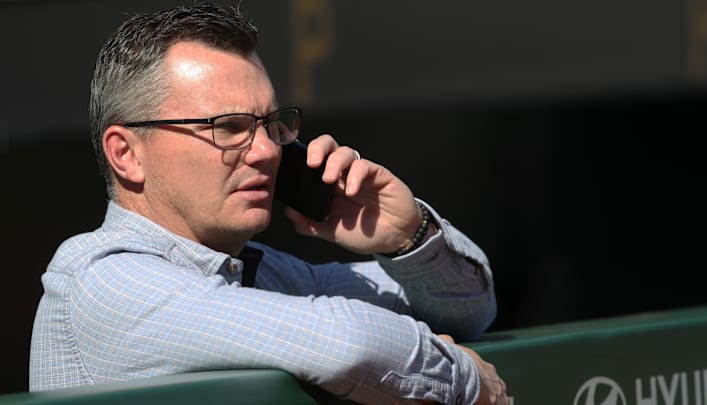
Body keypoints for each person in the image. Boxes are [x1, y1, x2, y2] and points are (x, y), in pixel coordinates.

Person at [29, 3, 508, 404]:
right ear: (126, 154)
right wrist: (465, 382)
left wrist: (408, 237)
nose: (267, 151)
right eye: (229, 127)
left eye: (271, 124)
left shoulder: (266, 271)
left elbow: (468, 312)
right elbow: (347, 345)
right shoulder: (102, 279)